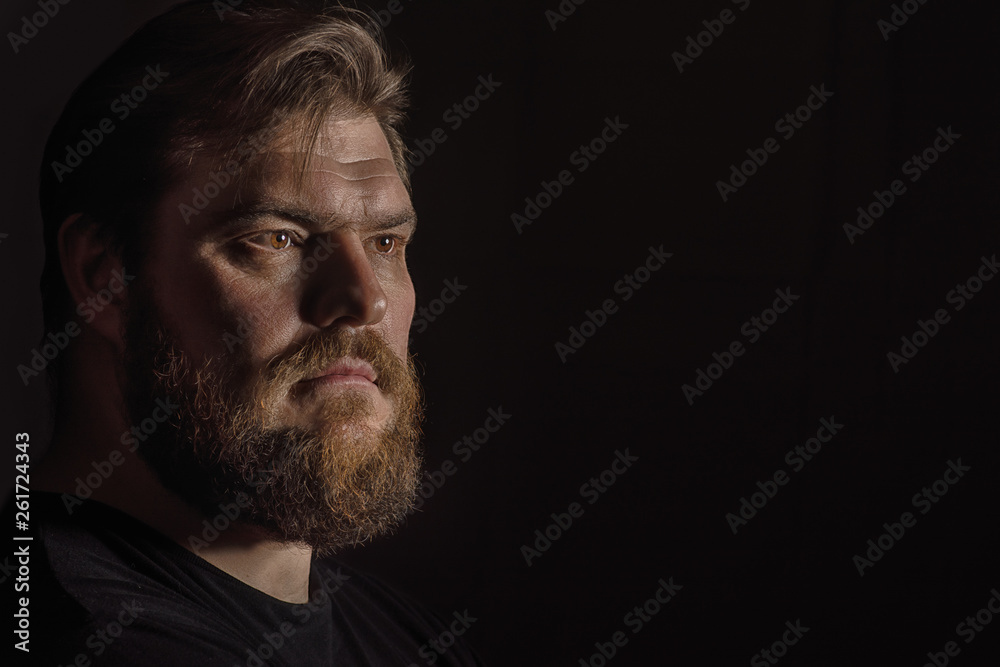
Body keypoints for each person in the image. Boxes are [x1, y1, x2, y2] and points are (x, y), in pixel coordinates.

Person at [20, 1, 484, 664]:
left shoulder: (412, 640)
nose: (365, 301)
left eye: (385, 240)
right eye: (278, 238)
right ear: (104, 276)